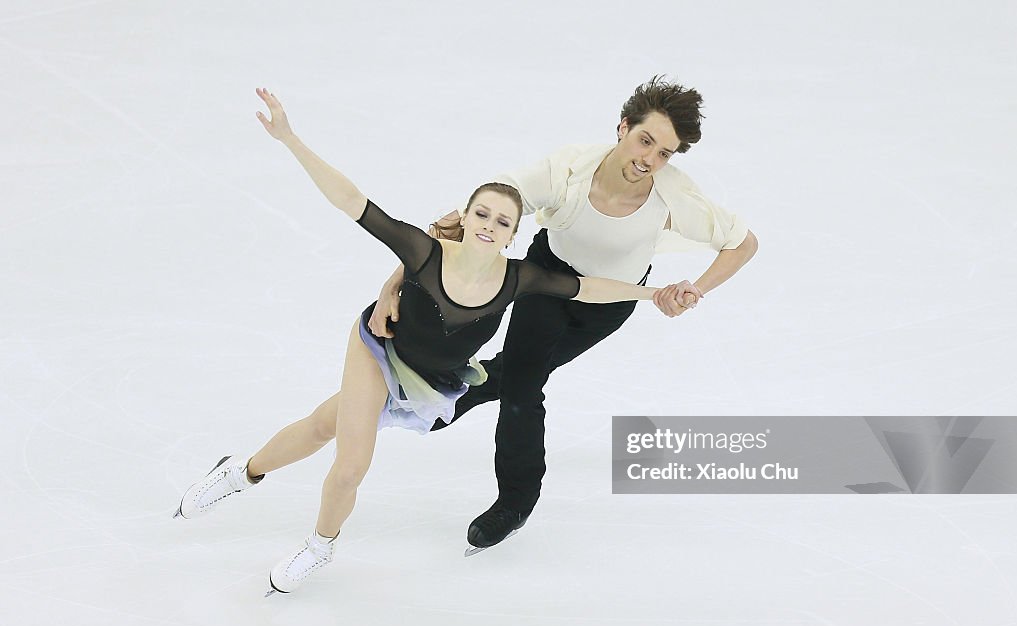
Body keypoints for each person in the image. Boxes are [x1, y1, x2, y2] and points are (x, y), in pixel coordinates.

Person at [173, 88, 677, 595]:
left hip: (430, 386)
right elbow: (353, 202)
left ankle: (242, 471)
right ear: (465, 216)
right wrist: (290, 139)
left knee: (321, 424)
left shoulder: (518, 279)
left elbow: (589, 288)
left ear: (513, 235)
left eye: (502, 222)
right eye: (481, 215)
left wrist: (656, 293)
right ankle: (320, 546)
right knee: (351, 466)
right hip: (378, 352)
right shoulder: (425, 251)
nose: (488, 226)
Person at [368, 75, 758, 551]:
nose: (649, 159)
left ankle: (455, 396)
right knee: (524, 387)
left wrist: (695, 289)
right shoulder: (569, 170)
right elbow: (457, 225)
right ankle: (515, 502)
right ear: (622, 127)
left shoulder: (672, 196)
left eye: (664, 153)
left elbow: (743, 243)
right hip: (546, 281)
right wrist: (393, 285)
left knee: (516, 373)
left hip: (609, 304)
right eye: (645, 140)